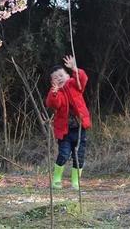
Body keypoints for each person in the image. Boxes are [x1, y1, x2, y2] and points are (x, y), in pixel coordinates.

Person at [45, 55, 91, 190]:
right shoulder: (55, 92)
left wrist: (75, 69)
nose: (59, 78)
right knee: (64, 154)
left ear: (67, 75)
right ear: (52, 82)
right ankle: (57, 179)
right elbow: (53, 104)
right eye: (55, 77)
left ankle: (75, 182)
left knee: (79, 156)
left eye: (61, 75)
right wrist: (53, 93)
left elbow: (83, 80)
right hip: (64, 131)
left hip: (80, 129)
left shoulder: (74, 84)